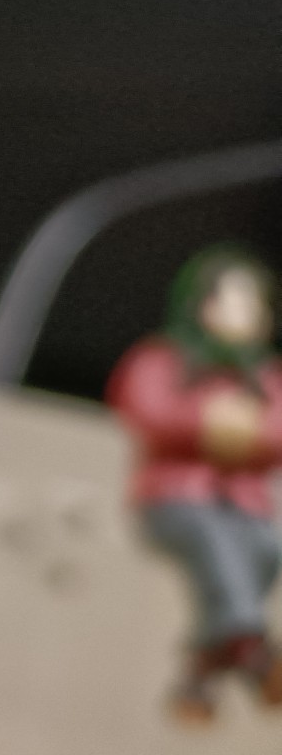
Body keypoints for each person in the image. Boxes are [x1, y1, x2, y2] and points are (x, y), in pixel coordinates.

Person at [107, 245, 282, 723]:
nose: (246, 314)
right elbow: (147, 410)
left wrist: (248, 433)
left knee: (267, 550)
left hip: (245, 503)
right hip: (173, 497)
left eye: (255, 304)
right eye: (233, 301)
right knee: (214, 540)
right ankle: (254, 652)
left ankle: (200, 676)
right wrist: (206, 421)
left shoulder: (266, 376)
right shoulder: (161, 358)